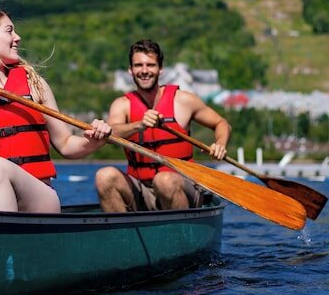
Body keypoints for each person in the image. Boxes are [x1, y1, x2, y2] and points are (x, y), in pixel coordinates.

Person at [0, 5, 112, 212]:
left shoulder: (34, 85)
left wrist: (93, 141)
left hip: (39, 197)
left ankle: (6, 233)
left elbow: (66, 144)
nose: (18, 38)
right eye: (9, 31)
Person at [95, 39, 230, 212]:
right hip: (141, 189)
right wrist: (139, 125)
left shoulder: (183, 100)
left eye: (150, 65)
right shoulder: (122, 105)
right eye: (138, 65)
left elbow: (221, 123)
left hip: (180, 186)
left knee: (164, 180)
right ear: (130, 70)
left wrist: (220, 143)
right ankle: (123, 229)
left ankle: (180, 227)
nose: (144, 71)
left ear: (160, 69)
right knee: (104, 176)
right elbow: (110, 133)